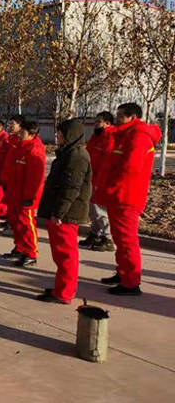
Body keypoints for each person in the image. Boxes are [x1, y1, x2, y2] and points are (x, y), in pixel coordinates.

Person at [98, 103, 162, 296]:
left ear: (133, 117)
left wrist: (112, 186)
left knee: (127, 240)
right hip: (118, 195)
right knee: (119, 238)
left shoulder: (139, 137)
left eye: (120, 116)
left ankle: (131, 283)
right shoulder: (125, 135)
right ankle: (123, 272)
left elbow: (130, 169)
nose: (117, 119)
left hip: (127, 197)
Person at [37, 119, 92, 304]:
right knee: (61, 254)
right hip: (61, 210)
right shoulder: (68, 153)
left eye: (60, 133)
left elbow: (71, 188)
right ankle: (61, 287)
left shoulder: (77, 156)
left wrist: (59, 213)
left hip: (67, 214)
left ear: (70, 135)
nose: (57, 135)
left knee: (66, 254)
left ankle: (64, 292)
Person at [2, 120, 46, 267]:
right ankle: (20, 248)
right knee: (16, 222)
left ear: (32, 134)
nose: (20, 134)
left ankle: (31, 252)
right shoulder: (20, 146)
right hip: (15, 192)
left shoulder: (34, 150)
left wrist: (30, 197)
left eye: (23, 132)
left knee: (26, 224)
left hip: (26, 196)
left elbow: (35, 179)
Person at [81, 111, 115, 251]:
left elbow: (107, 162)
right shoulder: (96, 136)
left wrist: (100, 182)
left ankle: (108, 238)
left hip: (101, 180)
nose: (95, 124)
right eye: (95, 122)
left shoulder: (110, 138)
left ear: (108, 123)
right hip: (91, 177)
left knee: (100, 210)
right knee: (92, 209)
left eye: (98, 122)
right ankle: (95, 233)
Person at [0, 114, 26, 235]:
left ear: (20, 126)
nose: (10, 126)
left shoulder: (22, 141)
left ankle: (14, 226)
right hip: (8, 176)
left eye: (12, 124)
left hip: (16, 178)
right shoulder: (12, 139)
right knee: (9, 202)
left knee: (16, 204)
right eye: (9, 124)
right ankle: (9, 222)